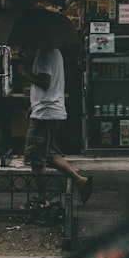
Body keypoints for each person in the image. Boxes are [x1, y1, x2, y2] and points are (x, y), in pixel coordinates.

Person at [18, 46, 93, 204]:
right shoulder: (55, 52)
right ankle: (80, 180)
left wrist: (25, 74)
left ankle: (41, 201)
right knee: (49, 154)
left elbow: (45, 82)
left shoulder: (45, 53)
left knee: (36, 158)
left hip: (45, 114)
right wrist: (34, 104)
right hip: (49, 110)